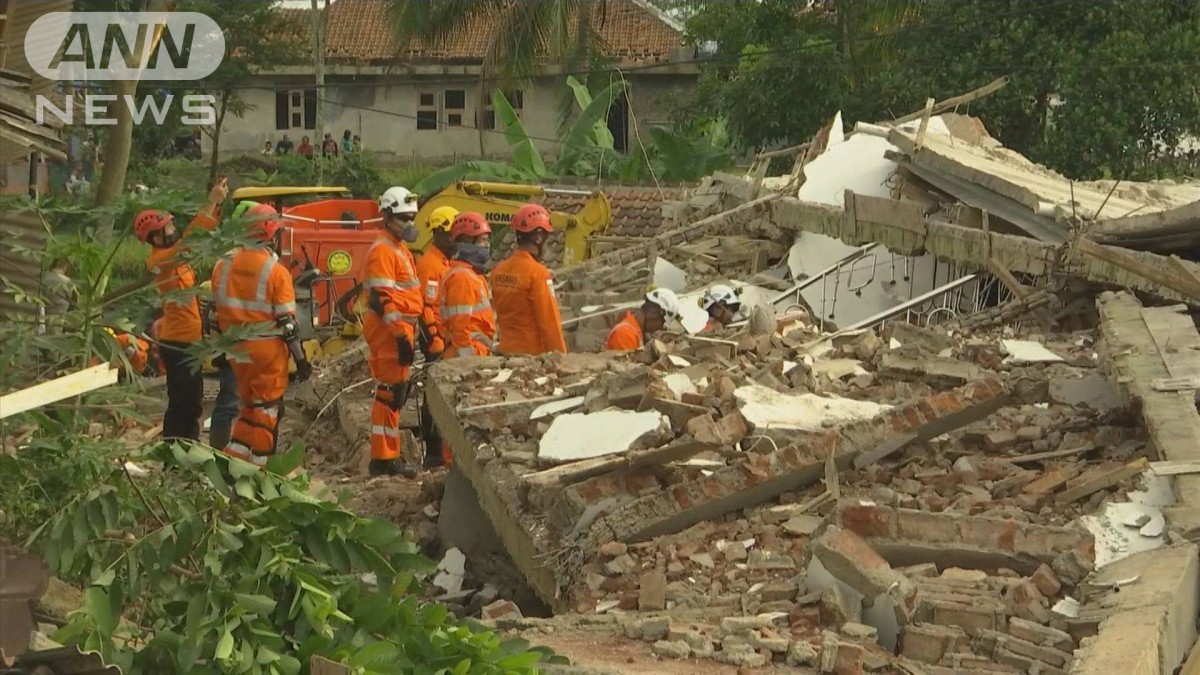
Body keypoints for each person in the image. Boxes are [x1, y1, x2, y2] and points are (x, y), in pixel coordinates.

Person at [210, 204, 312, 467]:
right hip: (266, 354)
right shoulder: (276, 272)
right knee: (267, 411)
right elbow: (287, 324)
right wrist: (300, 360)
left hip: (235, 351)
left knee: (248, 409)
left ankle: (235, 464)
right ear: (271, 234)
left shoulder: (222, 265)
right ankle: (261, 470)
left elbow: (213, 313)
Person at [136, 178, 228, 441]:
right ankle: (174, 455)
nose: (173, 229)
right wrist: (210, 201)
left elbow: (200, 238)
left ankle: (187, 451)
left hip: (189, 341)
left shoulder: (173, 258)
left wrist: (217, 205)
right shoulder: (161, 260)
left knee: (193, 403)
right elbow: (192, 241)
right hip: (178, 344)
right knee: (182, 404)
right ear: (155, 235)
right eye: (168, 226)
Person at [362, 186, 423, 477]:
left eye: (411, 217)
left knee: (396, 393)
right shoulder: (384, 250)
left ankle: (388, 454)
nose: (409, 223)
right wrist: (400, 335)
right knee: (389, 393)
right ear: (386, 216)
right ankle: (384, 459)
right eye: (403, 218)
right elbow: (382, 298)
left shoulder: (399, 249)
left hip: (399, 329)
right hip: (389, 331)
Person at [207, 200, 259, 450]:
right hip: (250, 341)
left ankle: (222, 452)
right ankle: (236, 453)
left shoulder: (222, 263)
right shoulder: (261, 263)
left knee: (228, 401)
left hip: (228, 339)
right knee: (242, 402)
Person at [490, 204, 566, 356]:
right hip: (531, 357)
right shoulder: (538, 274)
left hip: (505, 352)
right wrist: (561, 359)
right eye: (546, 237)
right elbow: (549, 324)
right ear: (538, 238)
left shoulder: (498, 271)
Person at [440, 212, 496, 359]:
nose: (487, 245)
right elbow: (460, 327)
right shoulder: (462, 278)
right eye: (483, 240)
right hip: (466, 355)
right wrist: (468, 361)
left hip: (474, 352)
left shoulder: (472, 275)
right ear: (467, 242)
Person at [414, 206, 459, 362]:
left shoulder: (444, 262)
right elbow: (427, 307)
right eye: (452, 235)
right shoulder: (430, 265)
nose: (456, 240)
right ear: (439, 233)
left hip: (447, 338)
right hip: (437, 341)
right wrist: (435, 341)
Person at [604, 288, 680, 352]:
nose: (661, 327)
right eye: (663, 322)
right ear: (653, 314)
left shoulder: (636, 332)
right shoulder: (625, 334)